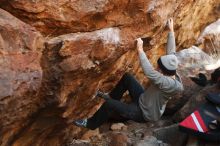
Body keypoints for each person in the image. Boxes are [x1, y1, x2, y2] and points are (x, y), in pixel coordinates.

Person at [73, 18, 184, 130]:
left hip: (143, 113)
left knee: (109, 105)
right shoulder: (171, 70)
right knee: (127, 78)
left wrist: (140, 49)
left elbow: (149, 72)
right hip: (143, 99)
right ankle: (112, 96)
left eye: (159, 67)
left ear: (163, 71)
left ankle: (91, 124)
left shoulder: (169, 84)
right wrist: (171, 31)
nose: (157, 68)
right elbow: (171, 53)